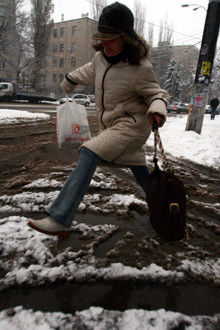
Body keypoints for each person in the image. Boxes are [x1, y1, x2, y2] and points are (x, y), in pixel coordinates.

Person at [28, 2, 170, 238]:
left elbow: (157, 93)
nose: (104, 43)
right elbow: (88, 70)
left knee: (89, 152)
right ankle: (166, 213)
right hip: (114, 127)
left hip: (132, 126)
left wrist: (157, 108)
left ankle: (60, 218)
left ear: (125, 37)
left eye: (110, 38)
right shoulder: (100, 58)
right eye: (101, 38)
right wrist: (70, 80)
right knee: (141, 173)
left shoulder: (140, 67)